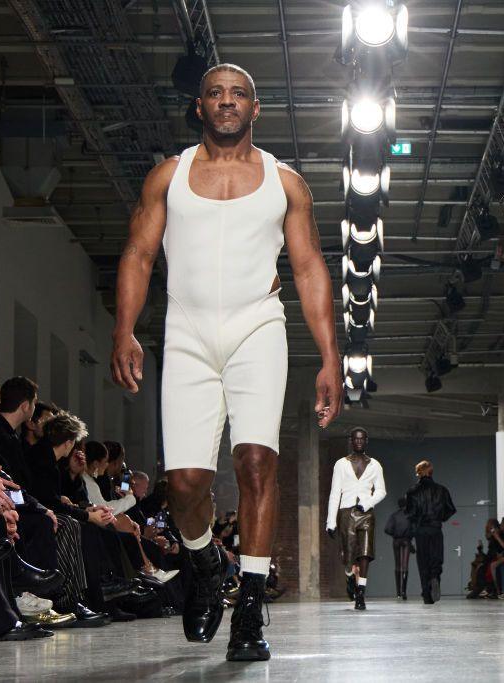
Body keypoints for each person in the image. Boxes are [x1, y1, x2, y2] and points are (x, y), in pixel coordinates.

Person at [110, 63, 341, 662]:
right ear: (199, 106)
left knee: (257, 462)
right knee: (185, 484)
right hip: (186, 330)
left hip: (257, 326)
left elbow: (310, 266)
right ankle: (206, 561)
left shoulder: (285, 182)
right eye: (216, 93)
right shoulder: (170, 175)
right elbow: (137, 253)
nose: (227, 101)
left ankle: (251, 609)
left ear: (255, 108)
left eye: (238, 93)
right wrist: (124, 330)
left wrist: (329, 357)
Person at [325, 428, 386, 610]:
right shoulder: (341, 464)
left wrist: (367, 503)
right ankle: (351, 576)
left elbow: (382, 490)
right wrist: (330, 521)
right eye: (355, 439)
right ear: (350, 441)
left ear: (366, 441)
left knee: (366, 553)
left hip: (366, 513)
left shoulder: (375, 465)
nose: (359, 442)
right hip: (346, 513)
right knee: (349, 556)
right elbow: (335, 493)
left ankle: (361, 593)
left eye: (362, 439)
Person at [405, 460, 455, 605]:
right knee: (436, 558)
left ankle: (427, 593)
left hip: (420, 529)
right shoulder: (442, 490)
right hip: (435, 527)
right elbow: (450, 509)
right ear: (431, 472)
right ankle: (435, 577)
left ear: (418, 473)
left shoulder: (412, 491)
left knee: (423, 561)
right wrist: (440, 517)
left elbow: (409, 513)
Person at [383, 496, 414, 600]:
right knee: (405, 565)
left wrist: (394, 534)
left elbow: (387, 529)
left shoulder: (394, 516)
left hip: (396, 541)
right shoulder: (410, 515)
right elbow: (414, 529)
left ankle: (398, 593)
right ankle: (404, 591)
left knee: (397, 565)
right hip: (406, 541)